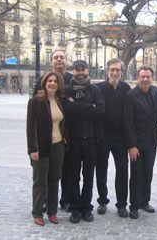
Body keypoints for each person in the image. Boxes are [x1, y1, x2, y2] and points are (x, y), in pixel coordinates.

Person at [63, 60, 105, 223]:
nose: (80, 72)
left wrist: (79, 105)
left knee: (89, 176)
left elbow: (101, 111)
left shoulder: (95, 89)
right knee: (73, 176)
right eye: (77, 70)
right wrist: (90, 106)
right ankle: (75, 208)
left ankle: (86, 207)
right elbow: (68, 109)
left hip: (91, 139)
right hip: (73, 140)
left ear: (88, 71)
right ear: (73, 71)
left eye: (83, 69)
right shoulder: (67, 90)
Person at [32, 50, 72, 213]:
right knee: (44, 172)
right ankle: (44, 201)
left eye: (62, 57)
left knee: (64, 171)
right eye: (56, 58)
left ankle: (64, 200)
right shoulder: (43, 80)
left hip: (64, 135)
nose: (59, 60)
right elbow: (34, 111)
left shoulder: (71, 79)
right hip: (45, 137)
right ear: (51, 62)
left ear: (66, 61)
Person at [26, 71, 66, 226]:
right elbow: (31, 128)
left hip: (58, 145)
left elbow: (62, 123)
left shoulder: (58, 101)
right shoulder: (36, 102)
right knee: (40, 180)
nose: (52, 83)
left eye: (55, 81)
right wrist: (32, 149)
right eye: (49, 81)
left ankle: (52, 211)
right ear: (44, 83)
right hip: (41, 147)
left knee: (54, 179)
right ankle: (37, 212)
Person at [95, 59, 131, 217]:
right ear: (107, 71)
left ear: (122, 72)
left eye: (118, 70)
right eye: (112, 70)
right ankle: (102, 200)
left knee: (123, 170)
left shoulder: (126, 88)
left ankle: (122, 204)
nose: (115, 73)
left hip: (120, 137)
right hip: (102, 136)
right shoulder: (99, 88)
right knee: (101, 170)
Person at [123, 66, 157, 219]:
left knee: (148, 174)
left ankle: (145, 201)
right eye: (142, 76)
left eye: (148, 77)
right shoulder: (131, 95)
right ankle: (134, 205)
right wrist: (132, 145)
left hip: (151, 141)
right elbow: (127, 122)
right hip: (137, 143)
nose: (145, 79)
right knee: (136, 175)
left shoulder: (156, 92)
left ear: (152, 78)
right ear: (137, 78)